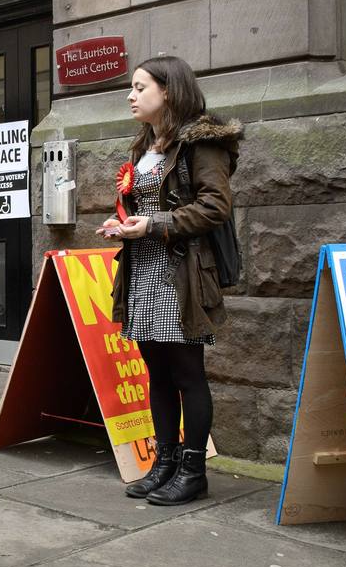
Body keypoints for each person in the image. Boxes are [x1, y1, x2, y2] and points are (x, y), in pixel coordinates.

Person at [99, 56, 241, 506]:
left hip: (181, 274)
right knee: (156, 374)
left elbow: (215, 206)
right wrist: (123, 223)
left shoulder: (202, 142)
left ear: (169, 90)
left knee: (187, 374)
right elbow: (143, 205)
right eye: (132, 88)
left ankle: (194, 471)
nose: (131, 96)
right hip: (143, 271)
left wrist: (153, 224)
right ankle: (164, 464)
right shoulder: (145, 145)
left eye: (140, 88)